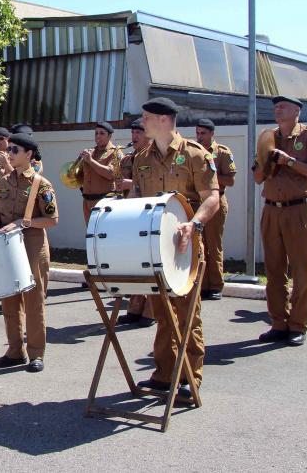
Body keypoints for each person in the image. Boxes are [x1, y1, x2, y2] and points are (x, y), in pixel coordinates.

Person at [131, 98, 220, 399]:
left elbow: (212, 198)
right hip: (154, 246)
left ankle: (189, 378)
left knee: (186, 312)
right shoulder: (142, 156)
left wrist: (194, 225)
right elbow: (136, 199)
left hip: (185, 242)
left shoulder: (196, 155)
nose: (142, 123)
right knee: (162, 311)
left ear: (164, 120)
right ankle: (164, 373)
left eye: (146, 118)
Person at [0, 133, 59, 372]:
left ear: (29, 154)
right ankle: (15, 351)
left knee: (33, 300)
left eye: (14, 149)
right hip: (7, 242)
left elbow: (52, 219)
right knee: (9, 299)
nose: (9, 153)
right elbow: (1, 212)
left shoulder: (41, 184)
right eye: (9, 149)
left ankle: (36, 354)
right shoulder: (4, 180)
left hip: (31, 242)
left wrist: (25, 222)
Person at [254, 96, 307, 347]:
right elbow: (257, 178)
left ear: (297, 110)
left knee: (300, 271)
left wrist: (289, 161)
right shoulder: (268, 137)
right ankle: (279, 323)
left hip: (299, 210)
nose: (278, 108)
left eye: (283, 106)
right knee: (274, 271)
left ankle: (298, 325)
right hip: (271, 210)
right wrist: (267, 161)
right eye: (276, 106)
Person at [115, 119, 155, 328]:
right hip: (135, 213)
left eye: (139, 132)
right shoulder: (131, 158)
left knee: (152, 263)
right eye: (133, 133)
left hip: (152, 214)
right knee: (137, 263)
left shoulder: (157, 157)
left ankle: (151, 310)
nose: (134, 137)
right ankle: (135, 308)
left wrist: (131, 183)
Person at [195, 119, 236, 301]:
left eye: (203, 133)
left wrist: (210, 177)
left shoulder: (222, 153)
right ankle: (202, 285)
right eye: (197, 133)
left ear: (212, 133)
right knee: (199, 246)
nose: (199, 137)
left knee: (213, 244)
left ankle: (216, 286)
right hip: (198, 202)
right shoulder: (194, 152)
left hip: (217, 200)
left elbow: (230, 180)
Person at [78, 121, 123, 224]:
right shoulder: (91, 152)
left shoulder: (115, 152)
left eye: (102, 133)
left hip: (104, 201)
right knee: (90, 235)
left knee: (103, 234)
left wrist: (90, 161)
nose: (98, 136)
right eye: (96, 133)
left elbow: (111, 173)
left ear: (110, 136)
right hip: (87, 201)